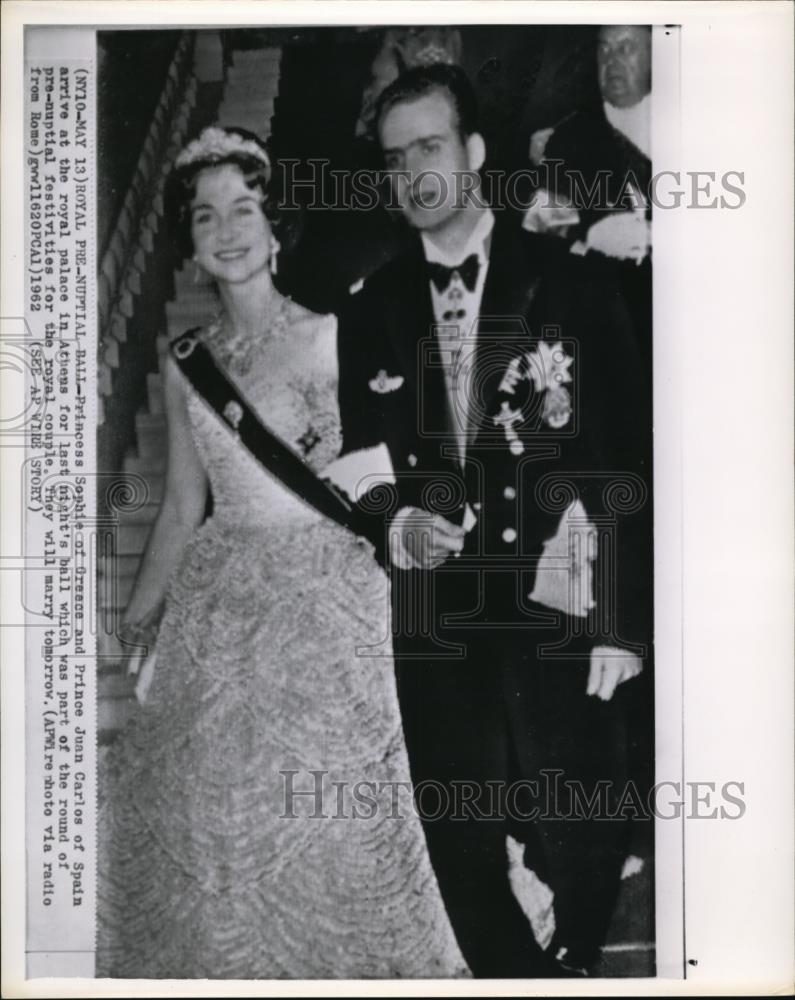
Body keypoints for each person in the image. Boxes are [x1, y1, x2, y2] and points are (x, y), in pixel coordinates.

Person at [96, 126, 467, 979]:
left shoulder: (336, 335)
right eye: (202, 216)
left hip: (328, 587)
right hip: (224, 594)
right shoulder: (188, 362)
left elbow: (376, 471)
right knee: (219, 802)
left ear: (275, 225)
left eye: (242, 209)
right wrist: (137, 613)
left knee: (333, 793)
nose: (225, 230)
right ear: (189, 241)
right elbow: (185, 504)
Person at [337, 64, 653, 977]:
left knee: (584, 815)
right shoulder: (370, 310)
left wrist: (620, 624)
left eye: (430, 147)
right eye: (395, 160)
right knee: (460, 839)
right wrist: (396, 527)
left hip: (560, 595)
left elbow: (623, 459)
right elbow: (362, 464)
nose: (413, 174)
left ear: (473, 153)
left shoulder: (573, 284)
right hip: (439, 616)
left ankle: (577, 960)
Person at [524, 25, 653, 266]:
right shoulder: (567, 140)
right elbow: (539, 230)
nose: (611, 60)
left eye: (625, 49)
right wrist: (591, 239)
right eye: (603, 50)